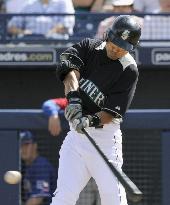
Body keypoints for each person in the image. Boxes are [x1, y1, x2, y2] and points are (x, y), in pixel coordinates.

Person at [50, 15, 141, 205]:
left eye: (123, 47)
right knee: (63, 197)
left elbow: (112, 113)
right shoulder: (89, 46)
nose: (116, 49)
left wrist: (89, 120)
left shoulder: (129, 69)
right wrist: (73, 100)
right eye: (115, 42)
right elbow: (69, 68)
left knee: (113, 200)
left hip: (105, 140)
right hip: (76, 139)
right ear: (108, 35)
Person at [42, 98, 101, 204]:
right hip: (82, 166)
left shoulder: (108, 100)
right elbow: (49, 104)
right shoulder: (76, 100)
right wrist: (54, 115)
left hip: (104, 162)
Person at [19, 130, 57, 205]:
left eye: (26, 145)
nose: (23, 149)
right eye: (21, 146)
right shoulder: (26, 167)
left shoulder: (41, 165)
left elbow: (38, 198)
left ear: (34, 146)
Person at [8, 0, 75, 39]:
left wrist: (50, 33)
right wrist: (23, 32)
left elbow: (67, 23)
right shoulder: (28, 4)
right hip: (31, 43)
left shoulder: (64, 2)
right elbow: (11, 26)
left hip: (57, 42)